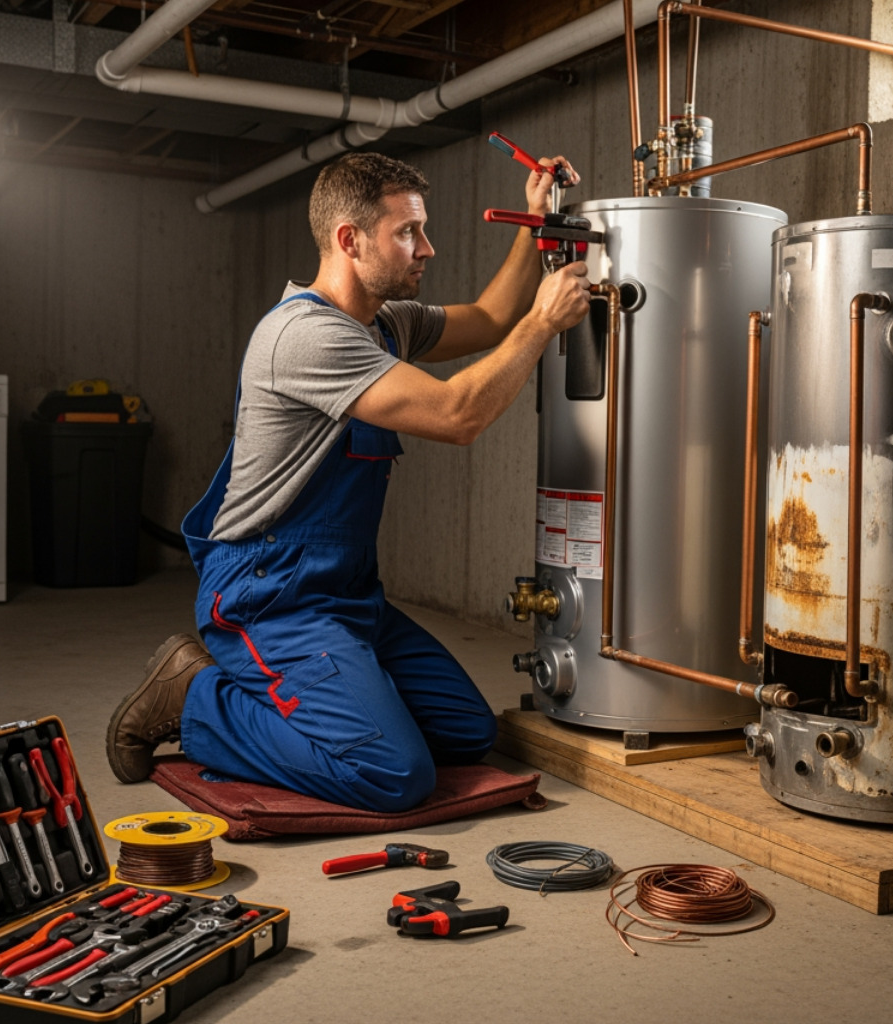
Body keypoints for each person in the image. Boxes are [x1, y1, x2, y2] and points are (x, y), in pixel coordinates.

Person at [105, 150, 589, 812]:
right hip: (268, 595)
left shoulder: (383, 325)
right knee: (394, 775)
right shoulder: (306, 337)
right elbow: (459, 415)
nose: (428, 248)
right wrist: (544, 322)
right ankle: (194, 698)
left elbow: (488, 319)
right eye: (407, 233)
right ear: (348, 240)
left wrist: (535, 221)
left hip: (348, 596)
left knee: (467, 733)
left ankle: (337, 697)